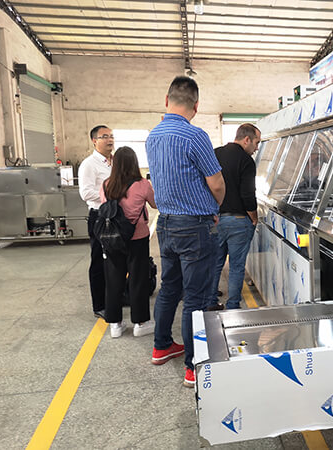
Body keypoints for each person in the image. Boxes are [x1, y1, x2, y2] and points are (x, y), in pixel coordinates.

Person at [146, 76, 225, 388]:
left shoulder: (153, 136)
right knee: (196, 296)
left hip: (165, 223)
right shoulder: (195, 136)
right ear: (196, 105)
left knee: (169, 288)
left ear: (167, 101)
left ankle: (161, 346)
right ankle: (194, 365)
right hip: (194, 225)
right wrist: (216, 207)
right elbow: (216, 183)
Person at [99, 146, 157, 338]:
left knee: (113, 279)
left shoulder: (106, 184)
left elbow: (106, 208)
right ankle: (140, 323)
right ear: (134, 163)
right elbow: (155, 204)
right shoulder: (142, 184)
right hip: (137, 237)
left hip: (113, 238)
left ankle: (115, 324)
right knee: (138, 279)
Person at [211, 124, 260, 309]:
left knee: (215, 263)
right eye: (256, 143)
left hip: (216, 219)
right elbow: (248, 195)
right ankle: (232, 305)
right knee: (236, 266)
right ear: (246, 139)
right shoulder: (246, 161)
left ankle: (210, 301)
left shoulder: (215, 154)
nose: (256, 148)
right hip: (239, 221)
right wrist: (254, 217)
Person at [78, 125, 114, 319]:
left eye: (111, 136)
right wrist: (111, 196)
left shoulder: (114, 162)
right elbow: (86, 193)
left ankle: (115, 297)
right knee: (99, 260)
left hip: (114, 216)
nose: (110, 140)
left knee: (115, 260)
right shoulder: (89, 164)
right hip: (99, 217)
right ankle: (99, 305)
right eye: (104, 136)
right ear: (94, 140)